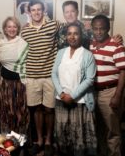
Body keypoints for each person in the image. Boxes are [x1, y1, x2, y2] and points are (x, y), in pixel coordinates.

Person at [21, 0, 60, 156]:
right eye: (33, 10)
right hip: (32, 76)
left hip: (50, 76)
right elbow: (20, 51)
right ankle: (40, 140)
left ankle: (49, 140)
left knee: (49, 109)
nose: (36, 12)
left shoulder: (54, 25)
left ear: (44, 11)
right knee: (36, 109)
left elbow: (73, 28)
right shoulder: (25, 31)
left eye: (39, 9)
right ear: (29, 12)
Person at [52, 23, 97, 156]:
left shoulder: (87, 55)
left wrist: (72, 96)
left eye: (76, 33)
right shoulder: (61, 53)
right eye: (69, 33)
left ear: (81, 36)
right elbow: (53, 74)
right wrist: (61, 93)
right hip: (61, 100)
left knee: (79, 137)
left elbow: (90, 79)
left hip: (80, 102)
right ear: (66, 36)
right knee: (62, 134)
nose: (72, 36)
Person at [90, 14, 125, 156]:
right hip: (94, 92)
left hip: (110, 93)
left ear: (108, 28)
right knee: (98, 129)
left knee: (113, 130)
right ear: (92, 29)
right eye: (95, 29)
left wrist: (118, 95)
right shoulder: (90, 44)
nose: (98, 32)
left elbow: (124, 71)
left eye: (102, 28)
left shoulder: (116, 45)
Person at [0, 16, 29, 134]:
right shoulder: (0, 44)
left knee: (20, 113)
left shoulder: (23, 43)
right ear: (5, 29)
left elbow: (28, 64)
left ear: (18, 28)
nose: (12, 29)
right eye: (9, 26)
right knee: (7, 112)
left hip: (20, 85)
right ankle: (7, 140)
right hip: (5, 84)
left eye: (14, 26)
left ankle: (21, 140)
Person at [58, 0, 123, 50]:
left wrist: (115, 39)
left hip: (84, 65)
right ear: (63, 14)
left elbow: (103, 39)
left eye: (72, 11)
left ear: (77, 12)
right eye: (67, 12)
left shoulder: (88, 28)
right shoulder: (59, 30)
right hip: (64, 65)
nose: (69, 14)